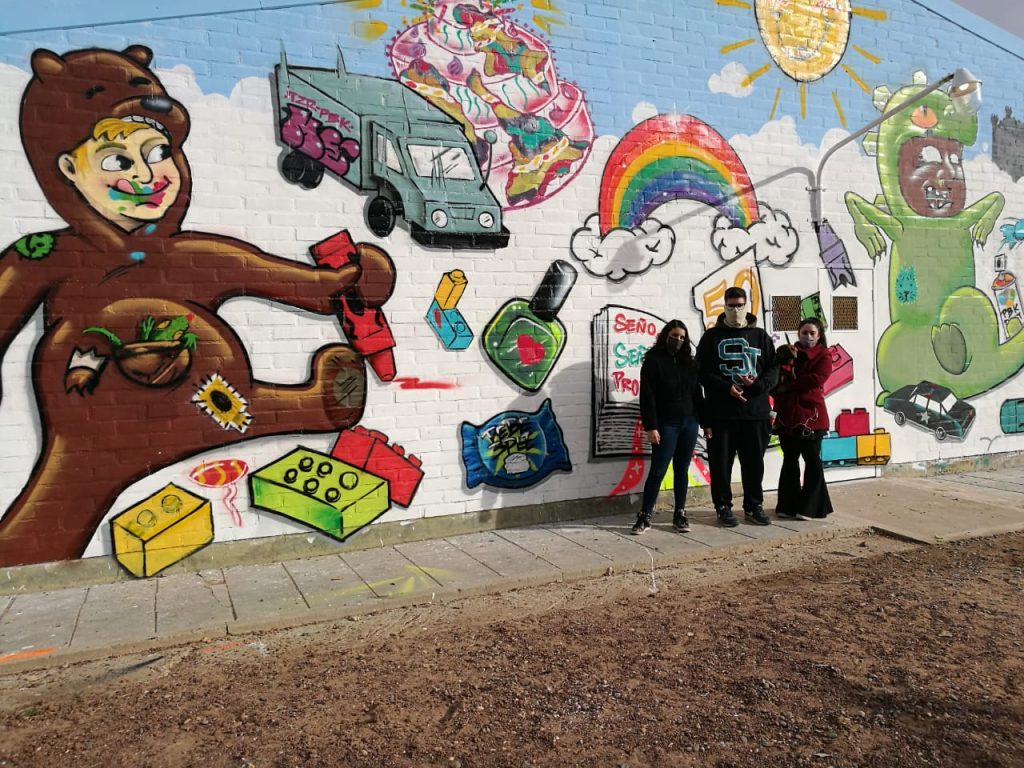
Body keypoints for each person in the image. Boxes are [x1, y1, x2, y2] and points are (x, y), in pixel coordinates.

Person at [696, 287, 778, 527]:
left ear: (747, 305)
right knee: (721, 465)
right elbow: (701, 371)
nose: (735, 310)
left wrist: (757, 386)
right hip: (722, 414)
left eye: (740, 305)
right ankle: (723, 507)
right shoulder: (711, 337)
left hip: (755, 414)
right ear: (724, 306)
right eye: (731, 305)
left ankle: (753, 505)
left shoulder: (760, 336)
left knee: (754, 465)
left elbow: (774, 370)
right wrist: (725, 388)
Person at [633, 320, 709, 535]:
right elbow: (647, 397)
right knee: (658, 470)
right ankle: (645, 515)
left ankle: (680, 513)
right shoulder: (653, 362)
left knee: (682, 469)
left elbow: (698, 395)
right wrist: (651, 426)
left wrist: (706, 423)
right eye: (674, 336)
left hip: (689, 423)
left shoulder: (690, 363)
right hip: (666, 424)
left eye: (682, 337)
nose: (678, 340)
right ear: (666, 335)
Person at [772, 318, 834, 520]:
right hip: (787, 416)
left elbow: (816, 379)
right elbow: (776, 378)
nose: (808, 336)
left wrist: (789, 385)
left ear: (819, 335)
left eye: (812, 333)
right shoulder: (787, 353)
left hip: (812, 417)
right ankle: (787, 506)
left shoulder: (824, 355)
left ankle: (811, 507)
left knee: (812, 460)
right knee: (790, 460)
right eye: (804, 332)